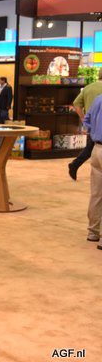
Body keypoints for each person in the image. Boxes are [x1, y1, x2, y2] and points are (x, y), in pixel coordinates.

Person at [68, 69, 102, 180]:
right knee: (91, 148)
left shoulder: (88, 88)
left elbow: (76, 104)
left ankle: (75, 165)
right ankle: (75, 164)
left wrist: (83, 118)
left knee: (92, 147)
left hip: (92, 124)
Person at [81, 92, 102, 249]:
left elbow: (86, 122)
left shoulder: (98, 99)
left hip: (96, 149)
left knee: (96, 193)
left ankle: (93, 232)